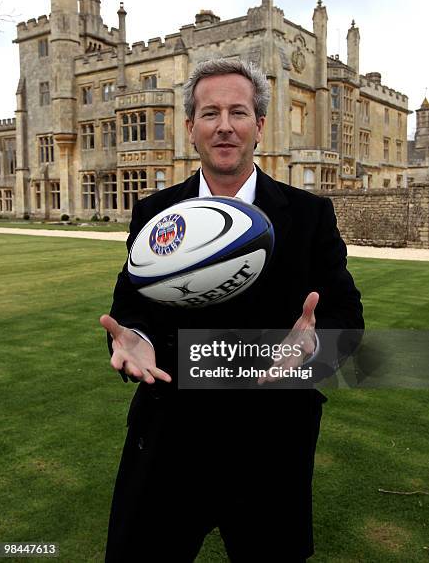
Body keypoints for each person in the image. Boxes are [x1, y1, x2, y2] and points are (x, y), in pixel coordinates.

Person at [100, 58, 364, 562]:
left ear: (259, 126)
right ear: (190, 128)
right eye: (210, 113)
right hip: (168, 441)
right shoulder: (156, 214)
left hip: (272, 446)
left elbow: (346, 318)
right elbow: (130, 306)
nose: (224, 125)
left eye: (238, 112)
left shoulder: (309, 215)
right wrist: (137, 338)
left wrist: (313, 347)